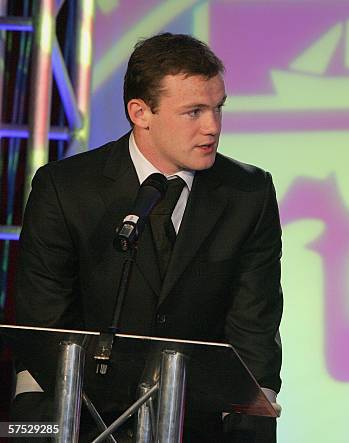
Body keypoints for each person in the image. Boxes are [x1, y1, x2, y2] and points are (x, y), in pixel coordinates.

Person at [11, 33, 282, 442]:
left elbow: (254, 325)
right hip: (75, 409)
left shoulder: (249, 193)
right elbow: (43, 321)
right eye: (193, 112)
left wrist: (250, 410)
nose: (212, 126)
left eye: (217, 108)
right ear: (141, 113)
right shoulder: (65, 188)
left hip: (195, 416)